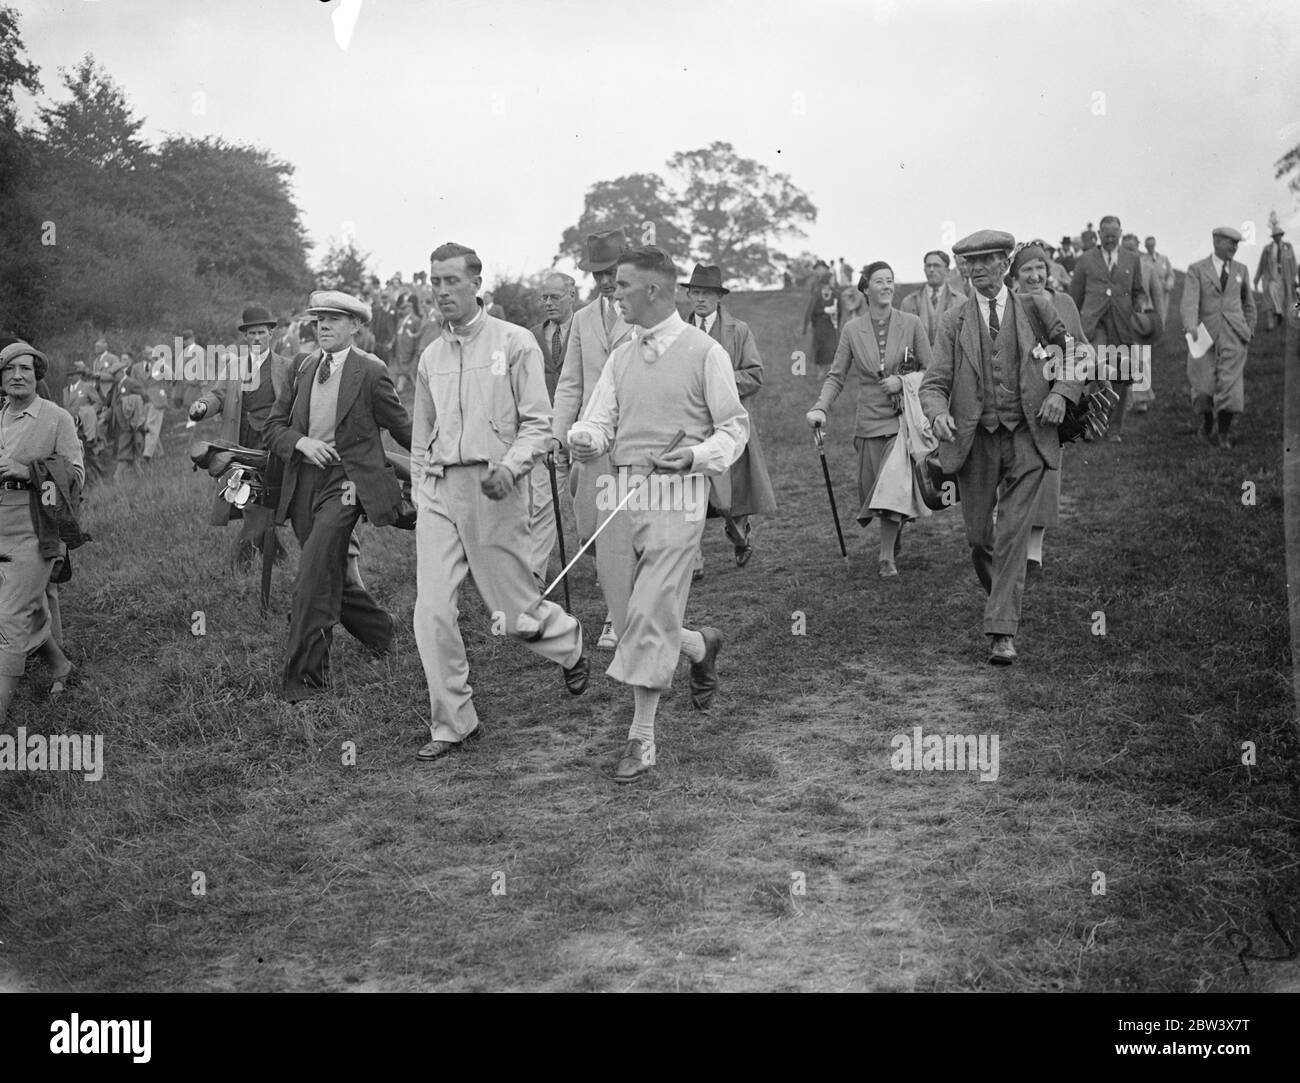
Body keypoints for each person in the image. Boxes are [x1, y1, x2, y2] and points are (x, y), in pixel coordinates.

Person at [568, 245, 748, 783]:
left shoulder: (705, 352)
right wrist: (586, 438)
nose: (613, 293)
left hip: (679, 496)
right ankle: (698, 644)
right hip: (620, 496)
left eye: (622, 285)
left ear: (652, 290)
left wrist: (693, 456)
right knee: (627, 619)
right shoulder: (621, 353)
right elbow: (601, 419)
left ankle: (641, 740)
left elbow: (733, 428)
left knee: (648, 611)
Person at [411, 243, 589, 761]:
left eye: (451, 281)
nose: (441, 291)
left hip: (499, 486)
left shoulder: (515, 343)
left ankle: (569, 643)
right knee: (432, 610)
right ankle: (453, 723)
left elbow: (539, 424)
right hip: (442, 491)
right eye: (434, 280)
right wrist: (425, 491)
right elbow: (422, 436)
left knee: (511, 615)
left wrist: (510, 468)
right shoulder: (430, 355)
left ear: (475, 284)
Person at [919, 230, 1086, 665]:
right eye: (968, 264)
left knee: (1013, 532)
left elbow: (1076, 354)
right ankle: (1003, 603)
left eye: (985, 262)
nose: (976, 271)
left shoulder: (1036, 307)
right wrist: (937, 412)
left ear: (1004, 263)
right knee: (979, 538)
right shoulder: (954, 320)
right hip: (975, 442)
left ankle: (1001, 632)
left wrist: (1061, 393)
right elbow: (934, 381)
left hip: (1028, 435)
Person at [262, 290, 413, 703]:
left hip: (347, 486)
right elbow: (273, 427)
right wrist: (301, 443)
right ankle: (383, 635)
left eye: (333, 319)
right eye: (318, 320)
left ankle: (305, 682)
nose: (322, 326)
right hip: (303, 484)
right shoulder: (303, 366)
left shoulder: (371, 370)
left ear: (356, 326)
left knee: (312, 574)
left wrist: (443, 461)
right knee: (328, 571)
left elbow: (404, 429)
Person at [807, 261, 934, 577]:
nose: (887, 286)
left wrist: (903, 382)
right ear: (865, 289)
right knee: (872, 490)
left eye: (890, 280)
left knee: (891, 486)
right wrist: (821, 407)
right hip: (868, 422)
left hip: (900, 421)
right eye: (880, 281)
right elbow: (836, 376)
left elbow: (932, 371)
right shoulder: (852, 330)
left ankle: (885, 557)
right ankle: (896, 525)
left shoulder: (912, 323)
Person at [552, 229, 634, 651]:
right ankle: (623, 602)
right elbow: (570, 383)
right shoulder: (583, 319)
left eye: (611, 271)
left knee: (623, 530)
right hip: (588, 441)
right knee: (589, 531)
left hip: (634, 439)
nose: (604, 280)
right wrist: (556, 434)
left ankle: (616, 616)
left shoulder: (644, 314)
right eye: (597, 272)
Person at [0, 341, 82, 723]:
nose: (17, 376)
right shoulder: (0, 417)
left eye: (25, 370)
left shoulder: (56, 417)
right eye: (9, 369)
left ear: (37, 377)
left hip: (36, 524)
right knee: (25, 604)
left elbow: (76, 477)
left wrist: (29, 473)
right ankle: (59, 665)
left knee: (12, 615)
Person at [681, 263, 776, 576]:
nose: (700, 299)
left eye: (706, 293)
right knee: (688, 491)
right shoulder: (676, 331)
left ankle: (739, 535)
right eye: (695, 292)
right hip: (689, 425)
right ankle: (693, 560)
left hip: (727, 423)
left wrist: (719, 381)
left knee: (727, 499)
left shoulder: (739, 330)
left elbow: (755, 375)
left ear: (718, 297)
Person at [189, 304, 296, 569]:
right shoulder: (234, 367)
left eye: (261, 332)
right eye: (251, 334)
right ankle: (276, 557)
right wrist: (203, 406)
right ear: (245, 337)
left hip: (273, 442)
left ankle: (243, 561)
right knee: (246, 494)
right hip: (241, 440)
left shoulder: (287, 367)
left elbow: (298, 403)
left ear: (271, 333)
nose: (256, 338)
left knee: (264, 496)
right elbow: (217, 395)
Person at [1007, 243, 1089, 569]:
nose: (1035, 275)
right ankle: (1011, 543)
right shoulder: (1008, 306)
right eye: (1027, 269)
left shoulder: (1064, 303)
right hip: (1013, 404)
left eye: (1040, 268)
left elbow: (1081, 347)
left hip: (1052, 406)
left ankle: (1033, 553)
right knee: (1012, 474)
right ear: (1014, 277)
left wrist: (1068, 390)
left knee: (1046, 475)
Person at [1068, 215, 1149, 442]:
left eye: (1114, 235)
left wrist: (1140, 308)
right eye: (1106, 235)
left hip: (1122, 325)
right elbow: (1074, 296)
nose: (1110, 239)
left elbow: (1138, 291)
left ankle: (1115, 430)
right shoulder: (1085, 260)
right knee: (1097, 372)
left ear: (1121, 234)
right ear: (1099, 235)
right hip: (1094, 326)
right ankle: (1093, 425)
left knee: (1122, 375)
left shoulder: (1132, 259)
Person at [1182, 226, 1257, 448]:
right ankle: (1206, 423)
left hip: (1234, 334)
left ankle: (1223, 433)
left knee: (1230, 385)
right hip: (1204, 335)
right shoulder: (1197, 269)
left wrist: (1250, 327)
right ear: (1216, 242)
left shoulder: (1241, 270)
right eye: (1230, 243)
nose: (1234, 248)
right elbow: (1189, 300)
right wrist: (1190, 324)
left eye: (1237, 244)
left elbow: (1249, 303)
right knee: (1203, 384)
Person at [527, 271, 577, 585]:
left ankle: (612, 566)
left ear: (572, 295)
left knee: (594, 504)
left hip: (587, 429)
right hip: (548, 432)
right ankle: (534, 576)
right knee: (544, 504)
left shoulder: (587, 330)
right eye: (544, 297)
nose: (548, 303)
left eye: (554, 297)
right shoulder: (531, 336)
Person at [901, 250, 967, 344]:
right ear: (924, 270)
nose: (931, 270)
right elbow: (904, 339)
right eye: (928, 266)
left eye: (936, 266)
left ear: (947, 270)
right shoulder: (909, 302)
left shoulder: (961, 302)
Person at [1254, 223, 1297, 332]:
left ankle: (1282, 316)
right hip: (1272, 278)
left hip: (1285, 277)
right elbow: (1261, 264)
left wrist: (1294, 277)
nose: (1277, 237)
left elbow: (1293, 262)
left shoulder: (1288, 247)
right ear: (1273, 237)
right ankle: (1271, 324)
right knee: (1269, 298)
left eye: (1279, 235)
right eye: (1275, 236)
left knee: (1285, 299)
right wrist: (1256, 279)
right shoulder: (1267, 249)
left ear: (1281, 235)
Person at [802, 276, 839, 377]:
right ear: (826, 282)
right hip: (820, 325)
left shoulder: (835, 294)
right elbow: (812, 310)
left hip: (831, 325)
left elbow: (841, 307)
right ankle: (821, 372)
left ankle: (833, 372)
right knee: (820, 348)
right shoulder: (817, 294)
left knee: (832, 347)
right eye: (832, 279)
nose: (834, 281)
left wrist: (836, 313)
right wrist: (824, 310)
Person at [389, 292, 424, 395]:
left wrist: (416, 349)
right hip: (400, 348)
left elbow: (418, 336)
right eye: (402, 309)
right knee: (400, 369)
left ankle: (414, 387)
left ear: (410, 308)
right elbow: (396, 334)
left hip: (410, 349)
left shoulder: (416, 320)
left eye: (404, 309)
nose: (402, 311)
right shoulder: (400, 320)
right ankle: (400, 387)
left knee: (409, 370)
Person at [1144, 236, 1175, 325]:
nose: (1150, 247)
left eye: (1152, 245)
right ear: (1146, 247)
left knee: (1162, 311)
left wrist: (1169, 283)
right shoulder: (1143, 259)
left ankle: (1161, 329)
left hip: (1162, 290)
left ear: (1154, 245)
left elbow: (1170, 274)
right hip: (1149, 290)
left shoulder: (1163, 259)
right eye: (1148, 246)